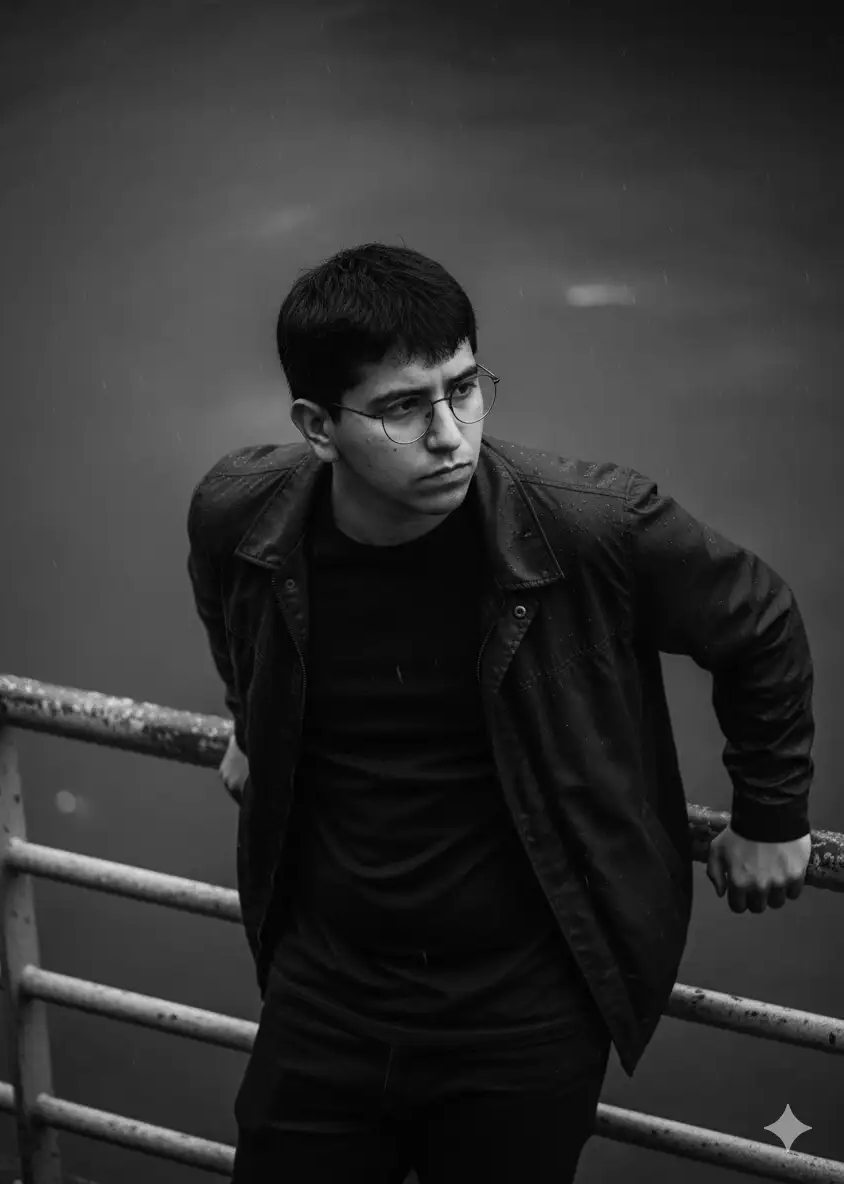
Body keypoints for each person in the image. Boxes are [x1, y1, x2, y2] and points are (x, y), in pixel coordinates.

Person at [186, 242, 815, 1184]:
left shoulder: (590, 524)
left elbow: (760, 623)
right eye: (403, 406)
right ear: (318, 426)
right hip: (327, 989)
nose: (451, 434)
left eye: (465, 387)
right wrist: (250, 718)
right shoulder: (241, 513)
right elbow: (227, 605)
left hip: (523, 1007)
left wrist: (770, 813)